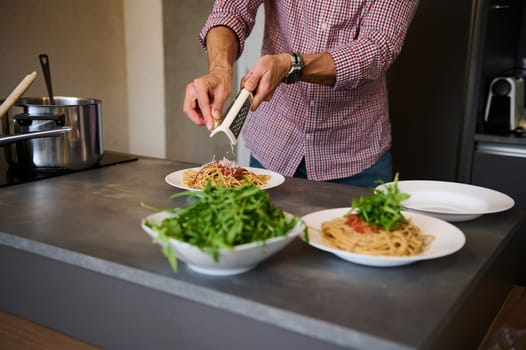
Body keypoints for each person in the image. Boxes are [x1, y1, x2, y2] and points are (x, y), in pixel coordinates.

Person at [183, 0, 419, 187]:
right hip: (274, 145)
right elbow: (230, 10)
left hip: (354, 154)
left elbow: (378, 48)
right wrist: (220, 69)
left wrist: (292, 65)